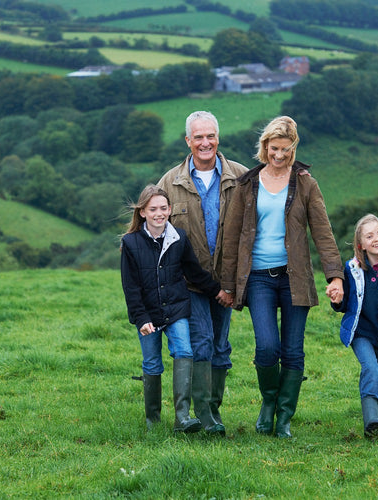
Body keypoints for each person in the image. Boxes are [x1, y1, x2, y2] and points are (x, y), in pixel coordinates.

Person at [221, 115, 344, 438]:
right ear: (265, 147)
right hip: (259, 277)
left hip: (295, 277)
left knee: (293, 351)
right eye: (274, 148)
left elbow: (323, 232)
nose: (279, 155)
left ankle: (285, 417)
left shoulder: (305, 182)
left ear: (294, 147)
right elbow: (232, 238)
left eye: (286, 149)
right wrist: (228, 284)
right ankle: (268, 403)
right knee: (266, 348)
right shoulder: (247, 184)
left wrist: (335, 276)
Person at [157, 111, 248, 435]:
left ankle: (214, 409)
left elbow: (252, 231)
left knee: (222, 346)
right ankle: (204, 414)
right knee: (203, 341)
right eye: (198, 137)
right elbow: (156, 233)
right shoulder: (170, 182)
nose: (205, 142)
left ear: (218, 138)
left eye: (210, 136)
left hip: (228, 283)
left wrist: (239, 282)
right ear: (188, 141)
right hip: (190, 284)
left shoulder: (242, 177)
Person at [121, 184, 222, 433]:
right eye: (153, 209)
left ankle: (182, 417)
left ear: (170, 210)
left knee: (185, 351)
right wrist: (140, 317)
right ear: (142, 212)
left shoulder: (179, 238)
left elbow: (194, 272)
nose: (159, 213)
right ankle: (152, 421)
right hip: (147, 314)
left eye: (164, 208)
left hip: (176, 308)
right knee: (152, 363)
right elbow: (130, 287)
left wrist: (218, 291)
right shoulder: (131, 243)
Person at [328, 214, 378, 438]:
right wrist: (336, 301)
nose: (377, 238)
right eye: (370, 235)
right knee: (370, 370)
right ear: (360, 244)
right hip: (361, 333)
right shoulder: (351, 270)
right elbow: (345, 304)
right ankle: (371, 420)